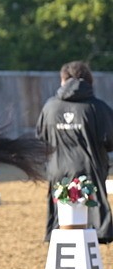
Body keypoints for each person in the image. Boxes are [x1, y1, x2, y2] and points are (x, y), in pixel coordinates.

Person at [36, 60, 113, 243]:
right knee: (94, 216)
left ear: (63, 80)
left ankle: (57, 233)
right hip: (89, 169)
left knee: (60, 214)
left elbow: (41, 137)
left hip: (58, 168)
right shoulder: (97, 107)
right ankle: (99, 236)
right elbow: (110, 141)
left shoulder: (50, 107)